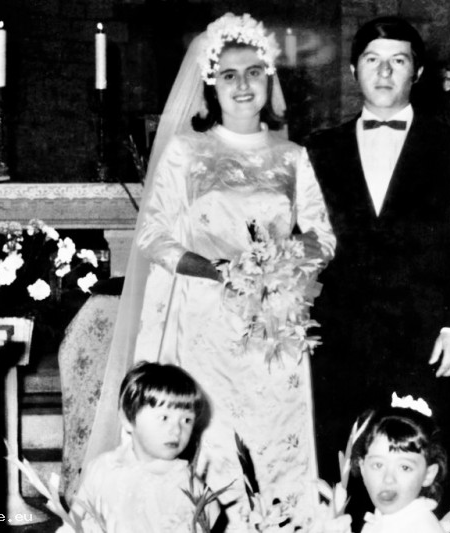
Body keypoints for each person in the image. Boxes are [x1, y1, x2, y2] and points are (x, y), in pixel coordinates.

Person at [80, 13, 336, 529]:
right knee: (211, 441)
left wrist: (281, 264)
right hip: (204, 323)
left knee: (276, 439)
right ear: (210, 85)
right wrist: (217, 270)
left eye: (254, 73)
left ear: (270, 80)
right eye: (229, 75)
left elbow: (321, 236)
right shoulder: (186, 152)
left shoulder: (293, 157)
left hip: (272, 325)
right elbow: (154, 236)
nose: (243, 85)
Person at [305, 15, 450, 505]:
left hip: (425, 341)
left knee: (418, 471)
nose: (384, 72)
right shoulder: (319, 149)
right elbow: (301, 242)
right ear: (353, 71)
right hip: (339, 340)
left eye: (398, 61)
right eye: (372, 60)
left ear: (418, 73)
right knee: (341, 468)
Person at [61, 361, 216, 532]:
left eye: (186, 420)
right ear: (128, 419)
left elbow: (211, 516)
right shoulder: (103, 468)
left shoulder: (184, 483)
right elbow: (73, 521)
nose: (177, 430)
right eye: (164, 418)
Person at [350, 395, 448, 533]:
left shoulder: (422, 527)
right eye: (378, 465)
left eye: (404, 467)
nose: (388, 479)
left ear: (428, 474)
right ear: (363, 469)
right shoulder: (382, 521)